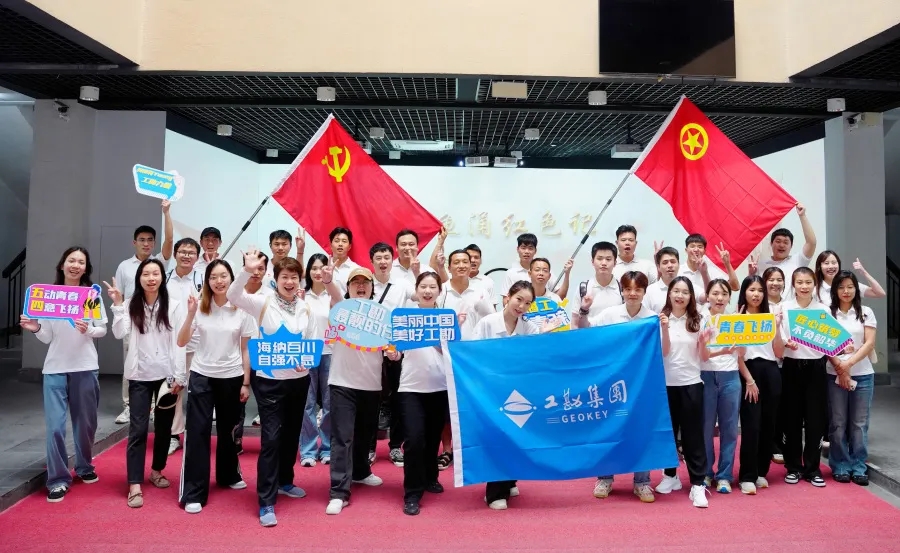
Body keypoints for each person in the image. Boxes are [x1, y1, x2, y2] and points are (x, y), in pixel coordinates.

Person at [227, 250, 314, 527]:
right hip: (269, 382)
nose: (290, 282)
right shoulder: (262, 301)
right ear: (276, 280)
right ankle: (266, 500)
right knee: (272, 438)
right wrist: (247, 270)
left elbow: (309, 342)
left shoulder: (305, 307)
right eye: (285, 277)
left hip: (299, 381)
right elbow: (233, 295)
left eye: (294, 277)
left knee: (291, 435)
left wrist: (305, 362)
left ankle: (285, 481)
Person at [20, 247, 106, 503]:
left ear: (86, 268)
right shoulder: (49, 296)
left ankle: (84, 466)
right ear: (62, 265)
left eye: (81, 262)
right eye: (71, 260)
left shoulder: (90, 296)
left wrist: (88, 329)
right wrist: (35, 327)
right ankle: (57, 479)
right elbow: (47, 336)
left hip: (85, 367)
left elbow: (101, 329)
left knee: (86, 425)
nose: (76, 265)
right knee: (55, 427)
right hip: (55, 369)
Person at [105, 258, 185, 509]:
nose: (151, 278)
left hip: (166, 377)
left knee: (164, 429)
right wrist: (118, 305)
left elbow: (179, 342)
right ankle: (134, 483)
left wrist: (179, 376)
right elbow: (119, 333)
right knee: (138, 430)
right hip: (139, 375)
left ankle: (157, 470)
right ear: (139, 278)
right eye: (146, 274)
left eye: (155, 273)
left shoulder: (174, 305)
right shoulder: (131, 304)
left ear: (162, 277)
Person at [177, 260, 253, 514]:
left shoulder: (242, 309)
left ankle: (228, 474)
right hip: (202, 375)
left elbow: (245, 349)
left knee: (228, 430)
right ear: (207, 281)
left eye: (224, 276)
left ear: (232, 279)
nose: (219, 281)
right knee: (198, 432)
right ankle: (193, 492)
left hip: (232, 376)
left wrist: (246, 382)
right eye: (213, 277)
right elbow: (181, 341)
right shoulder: (199, 306)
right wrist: (190, 314)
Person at [321, 263, 387, 515]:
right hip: (342, 383)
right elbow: (335, 295)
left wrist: (393, 352)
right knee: (342, 437)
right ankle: (338, 491)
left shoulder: (381, 315)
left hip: (371, 384)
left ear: (372, 288)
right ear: (348, 288)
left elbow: (392, 344)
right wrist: (329, 282)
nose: (361, 286)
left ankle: (360, 471)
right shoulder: (341, 309)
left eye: (365, 282)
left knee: (364, 434)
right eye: (355, 282)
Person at [386, 272, 453, 515]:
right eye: (423, 286)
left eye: (432, 287)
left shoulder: (446, 318)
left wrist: (435, 339)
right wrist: (393, 354)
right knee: (414, 440)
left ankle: (430, 477)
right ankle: (412, 493)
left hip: (439, 386)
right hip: (411, 387)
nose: (427, 291)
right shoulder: (405, 318)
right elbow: (397, 351)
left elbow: (453, 351)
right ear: (416, 290)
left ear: (439, 291)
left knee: (433, 438)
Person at [473, 281, 543, 510]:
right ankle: (495, 493)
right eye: (518, 299)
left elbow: (532, 360)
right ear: (508, 297)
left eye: (527, 303)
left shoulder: (530, 328)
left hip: (519, 391)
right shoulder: (487, 323)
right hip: (491, 391)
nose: (521, 306)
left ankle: (510, 479)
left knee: (515, 437)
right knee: (497, 438)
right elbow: (473, 355)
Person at [590, 271, 657, 503]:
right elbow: (588, 332)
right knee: (609, 428)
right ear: (622, 291)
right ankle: (605, 478)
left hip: (642, 383)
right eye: (628, 289)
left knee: (642, 430)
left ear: (644, 292)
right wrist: (583, 310)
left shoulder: (652, 319)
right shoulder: (610, 315)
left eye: (637, 289)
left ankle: (642, 482)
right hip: (613, 382)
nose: (632, 294)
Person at [113, 202, 173, 425]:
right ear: (134, 242)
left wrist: (166, 212)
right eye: (142, 240)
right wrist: (120, 317)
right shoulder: (124, 266)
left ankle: (155, 405)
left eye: (150, 240)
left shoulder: (158, 262)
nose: (146, 243)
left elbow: (170, 241)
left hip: (157, 321)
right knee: (131, 364)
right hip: (133, 321)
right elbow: (119, 296)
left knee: (158, 364)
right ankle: (129, 406)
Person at [656, 276, 713, 508]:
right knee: (668, 434)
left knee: (693, 436)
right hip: (666, 385)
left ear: (691, 296)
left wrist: (704, 341)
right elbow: (664, 352)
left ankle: (698, 483)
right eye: (676, 291)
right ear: (669, 293)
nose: (680, 295)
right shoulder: (661, 318)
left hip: (691, 384)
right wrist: (664, 329)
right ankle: (670, 476)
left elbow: (705, 358)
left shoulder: (699, 319)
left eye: (685, 292)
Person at [701, 278, 754, 494]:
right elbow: (698, 353)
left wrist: (741, 335)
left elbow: (741, 354)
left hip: (730, 377)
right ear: (707, 296)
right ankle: (706, 472)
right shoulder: (700, 318)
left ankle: (724, 475)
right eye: (715, 293)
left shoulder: (735, 319)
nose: (720, 298)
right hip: (705, 376)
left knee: (730, 428)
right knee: (705, 428)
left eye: (724, 294)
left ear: (729, 297)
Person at [779, 267, 828, 488]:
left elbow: (832, 340)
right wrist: (785, 342)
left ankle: (812, 469)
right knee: (791, 419)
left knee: (815, 420)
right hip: (791, 366)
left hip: (816, 368)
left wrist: (844, 348)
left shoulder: (822, 310)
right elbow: (778, 336)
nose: (804, 286)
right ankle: (793, 467)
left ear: (815, 284)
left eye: (808, 282)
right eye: (800, 282)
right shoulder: (784, 307)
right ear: (793, 285)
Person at [369, 242, 417, 466]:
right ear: (372, 261)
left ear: (392, 259)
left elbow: (420, 296)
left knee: (399, 397)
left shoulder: (402, 284)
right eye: (378, 258)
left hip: (397, 349)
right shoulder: (365, 283)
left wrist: (417, 271)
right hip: (370, 350)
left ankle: (396, 446)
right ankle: (369, 447)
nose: (383, 261)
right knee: (371, 398)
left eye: (386, 257)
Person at [828, 270, 877, 486]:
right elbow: (824, 344)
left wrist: (848, 365)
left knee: (859, 424)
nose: (846, 291)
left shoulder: (866, 312)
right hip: (833, 374)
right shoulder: (828, 313)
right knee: (838, 423)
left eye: (850, 286)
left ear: (856, 289)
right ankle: (840, 465)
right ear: (835, 290)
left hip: (863, 375)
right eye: (841, 287)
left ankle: (858, 466)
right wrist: (841, 369)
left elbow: (869, 343)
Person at [736, 275, 785, 494]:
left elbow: (779, 352)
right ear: (744, 292)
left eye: (759, 290)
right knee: (751, 426)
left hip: (771, 371)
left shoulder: (770, 316)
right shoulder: (738, 317)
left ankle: (760, 472)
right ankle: (747, 475)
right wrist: (749, 380)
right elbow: (737, 355)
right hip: (749, 372)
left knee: (768, 424)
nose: (756, 294)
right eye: (751, 290)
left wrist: (777, 327)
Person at [165, 237, 203, 456]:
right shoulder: (165, 278)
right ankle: (173, 435)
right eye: (182, 251)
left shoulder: (202, 279)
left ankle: (195, 433)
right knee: (174, 389)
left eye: (191, 253)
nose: (186, 255)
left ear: (197, 257)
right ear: (175, 254)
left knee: (197, 391)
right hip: (170, 344)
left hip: (197, 344)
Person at [299, 253, 333, 467]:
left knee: (330, 404)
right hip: (307, 353)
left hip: (330, 352)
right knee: (308, 404)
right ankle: (308, 450)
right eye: (314, 268)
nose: (318, 272)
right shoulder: (302, 295)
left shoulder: (333, 294)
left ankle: (327, 448)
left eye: (322, 267)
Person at [751, 203, 817, 300]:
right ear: (771, 244)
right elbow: (753, 288)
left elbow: (811, 243)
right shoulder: (761, 264)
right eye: (778, 241)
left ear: (791, 246)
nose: (781, 245)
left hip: (791, 307)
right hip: (768, 307)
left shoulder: (797, 260)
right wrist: (751, 273)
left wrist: (802, 216)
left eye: (786, 242)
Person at [239, 251, 272, 434]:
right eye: (252, 268)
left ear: (266, 271)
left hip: (262, 356)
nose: (256, 272)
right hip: (236, 357)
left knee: (267, 407)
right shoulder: (234, 292)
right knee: (236, 407)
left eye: (261, 268)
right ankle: (235, 443)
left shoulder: (271, 295)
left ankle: (268, 445)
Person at [501, 233, 569, 301]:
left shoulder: (544, 272)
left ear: (535, 251)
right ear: (517, 249)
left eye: (530, 248)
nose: (527, 252)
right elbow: (506, 301)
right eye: (523, 248)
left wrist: (567, 274)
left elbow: (560, 298)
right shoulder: (511, 273)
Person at [572, 241, 623, 328]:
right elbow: (574, 323)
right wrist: (584, 309)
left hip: (616, 335)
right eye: (599, 259)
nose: (604, 263)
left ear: (615, 263)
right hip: (591, 335)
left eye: (608, 259)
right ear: (592, 261)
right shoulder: (583, 288)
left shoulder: (622, 288)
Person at [814, 250, 885, 306]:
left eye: (834, 263)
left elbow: (880, 293)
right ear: (819, 266)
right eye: (826, 263)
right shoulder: (814, 288)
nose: (831, 266)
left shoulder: (848, 284)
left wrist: (864, 272)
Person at [677, 234, 737, 299]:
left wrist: (727, 264)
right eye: (692, 246)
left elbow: (735, 287)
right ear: (686, 250)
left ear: (704, 251)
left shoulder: (712, 270)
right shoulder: (678, 271)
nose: (696, 249)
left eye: (700, 247)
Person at [644, 247, 680, 313]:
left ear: (679, 264)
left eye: (673, 262)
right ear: (658, 267)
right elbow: (645, 316)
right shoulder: (650, 290)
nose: (670, 265)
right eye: (665, 263)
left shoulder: (688, 287)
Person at [329, 226, 359, 292]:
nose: (340, 244)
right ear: (331, 245)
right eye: (337, 241)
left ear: (349, 246)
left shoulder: (356, 270)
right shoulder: (323, 267)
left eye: (344, 241)